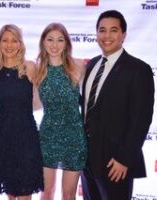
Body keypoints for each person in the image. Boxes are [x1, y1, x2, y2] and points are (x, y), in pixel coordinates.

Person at [80, 10, 155, 200]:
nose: (107, 36)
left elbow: (141, 120)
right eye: (102, 30)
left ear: (123, 35)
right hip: (86, 160)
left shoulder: (138, 69)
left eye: (113, 30)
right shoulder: (91, 65)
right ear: (96, 34)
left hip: (115, 163)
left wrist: (125, 158)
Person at [0, 24, 44, 200]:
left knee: (25, 191)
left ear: (20, 44)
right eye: (5, 40)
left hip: (26, 135)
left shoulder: (29, 68)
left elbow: (39, 101)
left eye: (14, 40)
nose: (9, 45)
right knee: (11, 191)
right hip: (3, 136)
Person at [34, 23, 87, 200]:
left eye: (60, 40)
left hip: (74, 137)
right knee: (47, 191)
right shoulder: (37, 70)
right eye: (50, 39)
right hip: (48, 136)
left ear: (66, 43)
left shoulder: (78, 66)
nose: (54, 45)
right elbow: (31, 103)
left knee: (68, 193)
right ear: (43, 42)